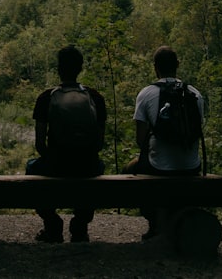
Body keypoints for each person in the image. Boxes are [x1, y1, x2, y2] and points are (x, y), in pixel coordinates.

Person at [27, 45, 107, 243]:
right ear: (80, 68)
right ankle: (80, 225)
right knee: (99, 167)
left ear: (58, 68)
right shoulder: (95, 98)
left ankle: (52, 224)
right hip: (87, 166)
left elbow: (40, 144)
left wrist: (55, 159)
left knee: (31, 168)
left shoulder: (46, 98)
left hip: (55, 166)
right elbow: (99, 144)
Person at [123, 45, 205, 240]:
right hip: (192, 167)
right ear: (177, 65)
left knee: (130, 170)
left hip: (159, 168)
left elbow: (140, 140)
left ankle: (155, 223)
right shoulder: (195, 94)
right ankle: (175, 221)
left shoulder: (146, 94)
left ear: (155, 67)